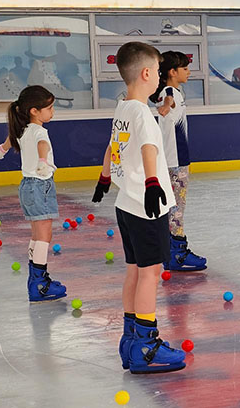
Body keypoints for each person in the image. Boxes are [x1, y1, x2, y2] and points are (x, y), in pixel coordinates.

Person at [91, 41, 186, 374]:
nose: (160, 76)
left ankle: (131, 337)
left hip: (125, 203)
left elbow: (112, 145)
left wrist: (105, 178)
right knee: (151, 273)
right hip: (147, 204)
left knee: (134, 269)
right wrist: (152, 183)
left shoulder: (123, 107)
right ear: (147, 73)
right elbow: (147, 148)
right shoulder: (143, 112)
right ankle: (146, 345)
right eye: (159, 71)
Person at [0, 85, 67, 302]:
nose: (52, 112)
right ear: (34, 110)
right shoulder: (39, 131)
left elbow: (11, 140)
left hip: (27, 186)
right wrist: (43, 161)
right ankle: (40, 284)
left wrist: (2, 150)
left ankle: (36, 280)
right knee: (44, 236)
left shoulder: (22, 129)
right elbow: (42, 144)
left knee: (37, 235)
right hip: (40, 185)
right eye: (49, 108)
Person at [149, 51, 207, 272]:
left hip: (175, 158)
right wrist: (167, 105)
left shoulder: (173, 92)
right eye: (184, 68)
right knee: (176, 207)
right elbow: (165, 107)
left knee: (174, 206)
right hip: (175, 160)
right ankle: (177, 253)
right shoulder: (170, 92)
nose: (189, 72)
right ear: (172, 72)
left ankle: (172, 249)